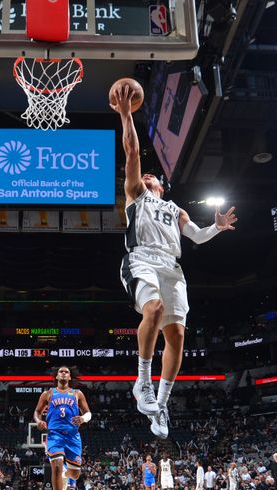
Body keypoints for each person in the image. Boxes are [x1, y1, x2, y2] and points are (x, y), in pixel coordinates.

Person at [110, 85, 237, 438]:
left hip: (172, 266)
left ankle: (161, 405)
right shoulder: (136, 196)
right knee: (152, 309)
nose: (146, 174)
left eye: (152, 175)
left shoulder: (175, 208)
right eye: (144, 174)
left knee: (178, 335)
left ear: (162, 186)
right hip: (141, 259)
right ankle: (142, 383)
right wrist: (126, 115)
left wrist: (217, 226)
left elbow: (196, 236)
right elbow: (132, 150)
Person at [34, 366, 91, 490]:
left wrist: (83, 419)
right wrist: (39, 421)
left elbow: (88, 413)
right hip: (54, 435)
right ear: (57, 376)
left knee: (74, 474)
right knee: (57, 466)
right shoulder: (48, 394)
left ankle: (66, 476)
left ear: (70, 377)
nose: (64, 373)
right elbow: (37, 412)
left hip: (73, 437)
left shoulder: (77, 394)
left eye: (66, 372)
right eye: (61, 371)